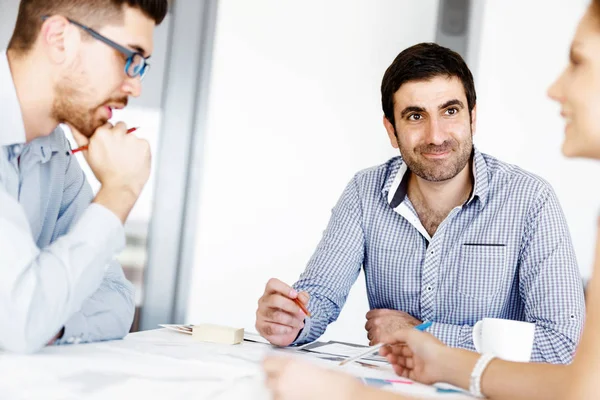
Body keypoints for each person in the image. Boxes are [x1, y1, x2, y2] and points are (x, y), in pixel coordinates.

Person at [262, 1, 600, 399]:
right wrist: (291, 320)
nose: (436, 135)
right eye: (416, 116)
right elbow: (317, 297)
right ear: (391, 129)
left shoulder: (531, 200)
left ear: (473, 117)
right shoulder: (363, 192)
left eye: (450, 111)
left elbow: (562, 347)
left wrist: (424, 334)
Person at [0, 0, 167, 353]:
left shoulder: (55, 152)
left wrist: (49, 322)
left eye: (141, 66)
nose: (135, 86)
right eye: (128, 57)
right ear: (60, 38)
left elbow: (117, 300)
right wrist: (118, 191)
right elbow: (20, 321)